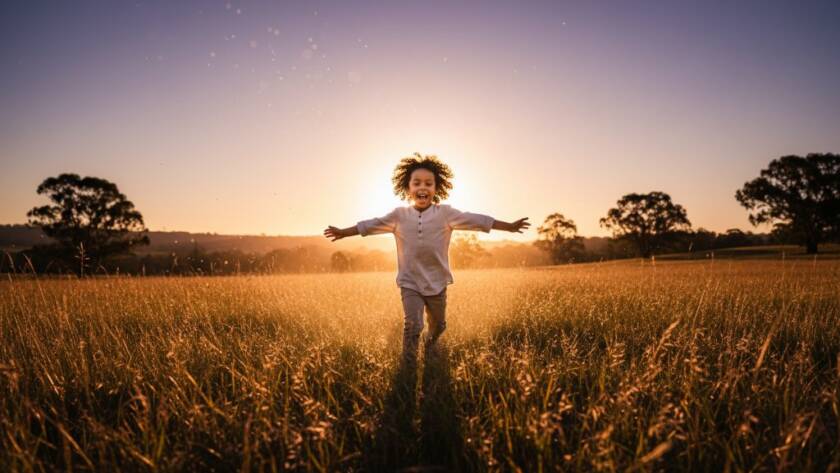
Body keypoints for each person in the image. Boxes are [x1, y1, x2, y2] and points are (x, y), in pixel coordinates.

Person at [324, 153, 529, 366]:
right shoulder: (398, 216)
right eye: (417, 183)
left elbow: (476, 220)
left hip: (437, 282)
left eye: (429, 183)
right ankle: (409, 365)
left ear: (436, 188)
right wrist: (343, 232)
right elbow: (369, 225)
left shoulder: (445, 214)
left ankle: (430, 346)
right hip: (410, 282)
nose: (423, 187)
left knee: (439, 325)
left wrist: (510, 226)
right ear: (408, 188)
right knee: (413, 325)